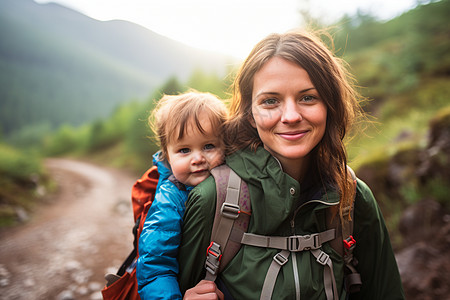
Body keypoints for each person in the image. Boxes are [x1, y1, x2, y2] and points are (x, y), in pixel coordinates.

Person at [178, 30, 405, 299]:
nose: (291, 116)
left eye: (308, 97)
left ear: (329, 105)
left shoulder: (352, 197)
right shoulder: (213, 199)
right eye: (270, 101)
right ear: (250, 114)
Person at [136, 90, 227, 299]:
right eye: (184, 150)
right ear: (167, 155)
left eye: (208, 146)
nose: (198, 158)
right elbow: (154, 268)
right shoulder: (169, 200)